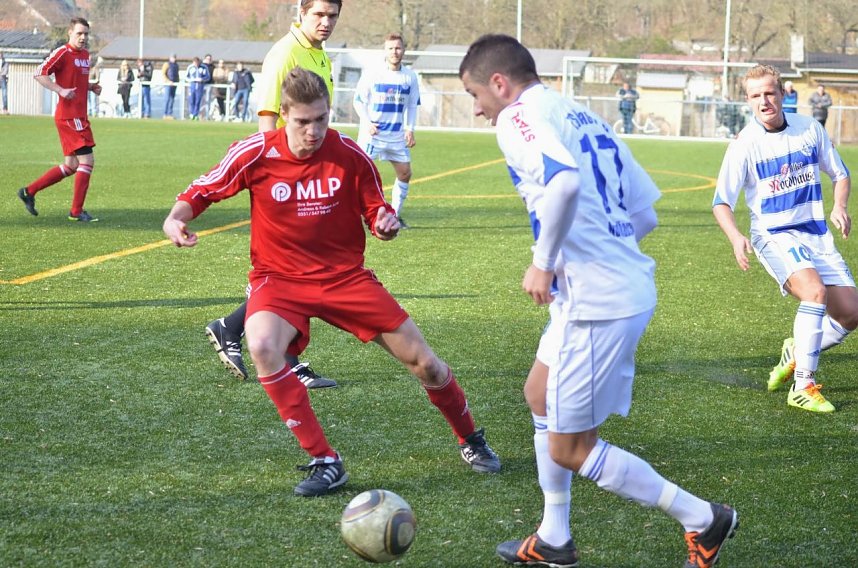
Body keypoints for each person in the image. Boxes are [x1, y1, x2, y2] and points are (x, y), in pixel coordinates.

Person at [460, 34, 738, 568]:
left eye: (477, 94)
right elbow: (646, 215)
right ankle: (554, 537)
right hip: (604, 290)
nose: (477, 109)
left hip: (597, 301)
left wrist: (546, 261)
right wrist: (596, 254)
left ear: (500, 83)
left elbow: (562, 182)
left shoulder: (518, 118)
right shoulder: (583, 115)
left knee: (570, 447)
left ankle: (704, 519)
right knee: (538, 394)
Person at [163, 67, 501, 496]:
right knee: (263, 345)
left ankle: (470, 438)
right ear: (284, 115)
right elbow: (205, 188)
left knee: (426, 364)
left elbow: (375, 211)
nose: (314, 130)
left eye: (321, 119)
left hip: (345, 278)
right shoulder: (255, 152)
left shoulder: (348, 154)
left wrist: (384, 223)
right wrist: (176, 219)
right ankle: (325, 460)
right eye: (303, 121)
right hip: (279, 279)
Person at [204, 0, 342, 388]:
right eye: (319, 14)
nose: (326, 22)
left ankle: (231, 327)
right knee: (296, 269)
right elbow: (267, 117)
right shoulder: (284, 53)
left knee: (304, 267)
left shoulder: (320, 56)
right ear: (301, 13)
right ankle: (287, 358)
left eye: (332, 15)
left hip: (310, 174)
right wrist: (272, 175)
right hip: (284, 179)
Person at [713, 64, 857, 413]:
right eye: (755, 96)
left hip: (816, 235)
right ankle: (803, 385)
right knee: (814, 292)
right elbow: (721, 202)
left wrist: (839, 205)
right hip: (773, 235)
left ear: (782, 94)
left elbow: (840, 174)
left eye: (769, 93)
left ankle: (796, 351)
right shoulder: (744, 144)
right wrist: (735, 237)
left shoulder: (809, 129)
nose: (764, 101)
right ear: (747, 101)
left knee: (851, 314)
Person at [16, 17, 102, 223]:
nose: (83, 38)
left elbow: (76, 80)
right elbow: (40, 73)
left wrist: (90, 86)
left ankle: (29, 191)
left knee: (71, 165)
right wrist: (60, 90)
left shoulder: (84, 55)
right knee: (87, 161)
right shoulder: (63, 53)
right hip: (69, 117)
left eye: (86, 34)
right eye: (79, 33)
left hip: (79, 116)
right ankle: (76, 211)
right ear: (70, 33)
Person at [353, 32, 421, 227]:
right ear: (385, 51)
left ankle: (395, 216)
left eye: (398, 48)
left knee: (405, 173)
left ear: (404, 50)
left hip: (397, 136)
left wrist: (410, 129)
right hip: (373, 136)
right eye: (391, 48)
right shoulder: (373, 73)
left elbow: (412, 105)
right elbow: (358, 101)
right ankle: (352, 215)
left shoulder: (410, 77)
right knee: (358, 175)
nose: (395, 52)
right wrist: (367, 123)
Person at [186, 56, 209, 120]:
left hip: (200, 86)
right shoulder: (190, 67)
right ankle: (191, 114)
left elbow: (207, 77)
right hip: (192, 86)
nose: (196, 64)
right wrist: (192, 80)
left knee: (198, 101)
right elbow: (186, 77)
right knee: (191, 100)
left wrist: (202, 79)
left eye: (197, 63)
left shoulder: (204, 67)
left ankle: (195, 114)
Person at [162, 54, 180, 119]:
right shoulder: (166, 64)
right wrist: (168, 81)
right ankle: (165, 113)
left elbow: (177, 74)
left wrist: (178, 81)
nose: (174, 59)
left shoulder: (176, 65)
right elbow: (163, 74)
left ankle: (170, 114)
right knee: (166, 99)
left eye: (175, 57)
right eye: (173, 57)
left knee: (172, 99)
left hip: (174, 84)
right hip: (168, 84)